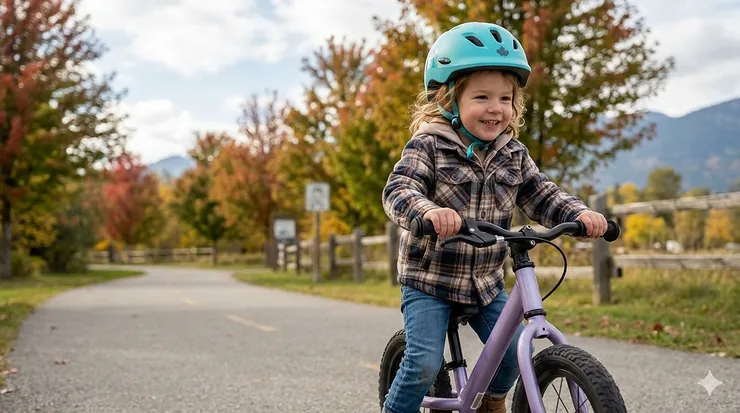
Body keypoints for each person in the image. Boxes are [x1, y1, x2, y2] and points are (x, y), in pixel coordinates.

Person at [380, 21, 608, 413]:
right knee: (422, 363)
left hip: (484, 280)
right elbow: (399, 190)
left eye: (505, 98)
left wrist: (580, 213)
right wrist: (430, 211)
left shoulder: (513, 153)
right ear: (449, 100)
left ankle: (490, 402)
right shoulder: (429, 145)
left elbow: (540, 193)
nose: (495, 108)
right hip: (430, 278)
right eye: (482, 97)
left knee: (509, 360)